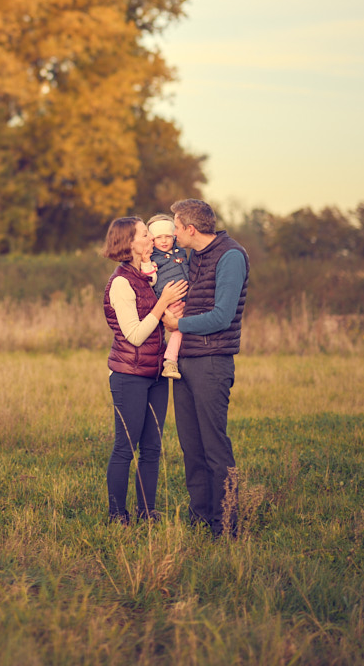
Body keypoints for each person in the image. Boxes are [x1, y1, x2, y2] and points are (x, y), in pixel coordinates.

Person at [162, 198, 249, 538]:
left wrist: (178, 324)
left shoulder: (231, 256)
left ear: (190, 229)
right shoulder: (192, 255)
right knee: (191, 446)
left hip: (212, 362)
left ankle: (225, 525)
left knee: (214, 447)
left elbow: (222, 316)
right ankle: (200, 518)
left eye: (176, 226)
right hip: (185, 362)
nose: (173, 231)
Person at [102, 216, 188, 524]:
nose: (151, 238)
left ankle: (146, 512)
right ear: (129, 243)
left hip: (155, 374)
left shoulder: (148, 274)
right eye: (144, 235)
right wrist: (163, 301)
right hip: (129, 376)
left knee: (152, 448)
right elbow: (135, 334)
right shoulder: (122, 282)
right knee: (125, 447)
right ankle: (117, 515)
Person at [144, 214, 190, 379]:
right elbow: (149, 277)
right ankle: (170, 361)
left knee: (183, 328)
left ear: (174, 236)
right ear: (152, 239)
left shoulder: (181, 252)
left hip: (186, 298)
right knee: (179, 328)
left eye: (167, 237)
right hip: (170, 300)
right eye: (158, 237)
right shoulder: (152, 257)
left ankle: (173, 359)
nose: (163, 241)